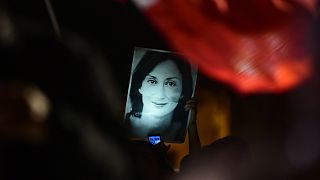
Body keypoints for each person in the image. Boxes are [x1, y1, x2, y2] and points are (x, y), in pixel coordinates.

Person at [125, 49, 195, 142]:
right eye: (152, 81)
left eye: (171, 84)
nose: (160, 94)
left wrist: (192, 126)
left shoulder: (185, 132)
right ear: (139, 86)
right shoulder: (121, 125)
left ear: (182, 92)